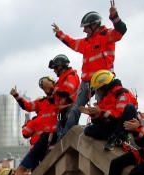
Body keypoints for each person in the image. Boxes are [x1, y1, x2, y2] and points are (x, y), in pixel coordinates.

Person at [53, 2, 127, 137]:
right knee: (75, 109)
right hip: (87, 82)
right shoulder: (86, 42)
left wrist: (114, 16)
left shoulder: (107, 35)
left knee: (101, 108)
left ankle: (103, 133)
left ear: (94, 25)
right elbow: (72, 43)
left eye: (86, 27)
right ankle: (64, 138)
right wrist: (59, 34)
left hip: (103, 83)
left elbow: (121, 31)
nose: (84, 30)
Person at [12, 77, 57, 175]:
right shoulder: (41, 103)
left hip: (47, 140)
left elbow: (25, 134)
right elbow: (27, 106)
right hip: (45, 140)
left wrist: (25, 126)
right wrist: (17, 96)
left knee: (26, 169)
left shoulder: (35, 120)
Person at [81, 70, 138, 148]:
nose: (97, 92)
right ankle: (113, 136)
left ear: (105, 86)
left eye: (99, 89)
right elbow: (100, 119)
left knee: (129, 107)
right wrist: (93, 114)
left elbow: (119, 114)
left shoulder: (121, 93)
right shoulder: (105, 98)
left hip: (122, 124)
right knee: (88, 130)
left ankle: (120, 137)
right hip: (112, 126)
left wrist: (100, 112)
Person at [49, 54, 80, 141]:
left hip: (70, 110)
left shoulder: (70, 76)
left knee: (67, 137)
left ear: (60, 67)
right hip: (64, 111)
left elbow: (66, 93)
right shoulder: (62, 79)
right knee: (63, 137)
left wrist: (53, 89)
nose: (54, 71)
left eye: (55, 68)